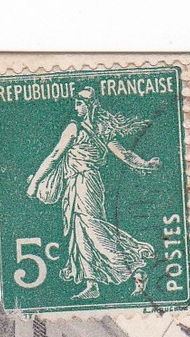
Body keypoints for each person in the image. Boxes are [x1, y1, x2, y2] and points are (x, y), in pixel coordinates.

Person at [26, 86, 161, 300]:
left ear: (90, 105)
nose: (76, 106)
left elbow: (54, 156)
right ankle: (92, 284)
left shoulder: (77, 128)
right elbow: (125, 155)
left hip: (84, 182)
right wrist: (145, 164)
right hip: (79, 183)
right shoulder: (99, 129)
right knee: (79, 233)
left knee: (92, 228)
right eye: (76, 102)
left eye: (80, 103)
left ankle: (135, 267)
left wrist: (35, 184)